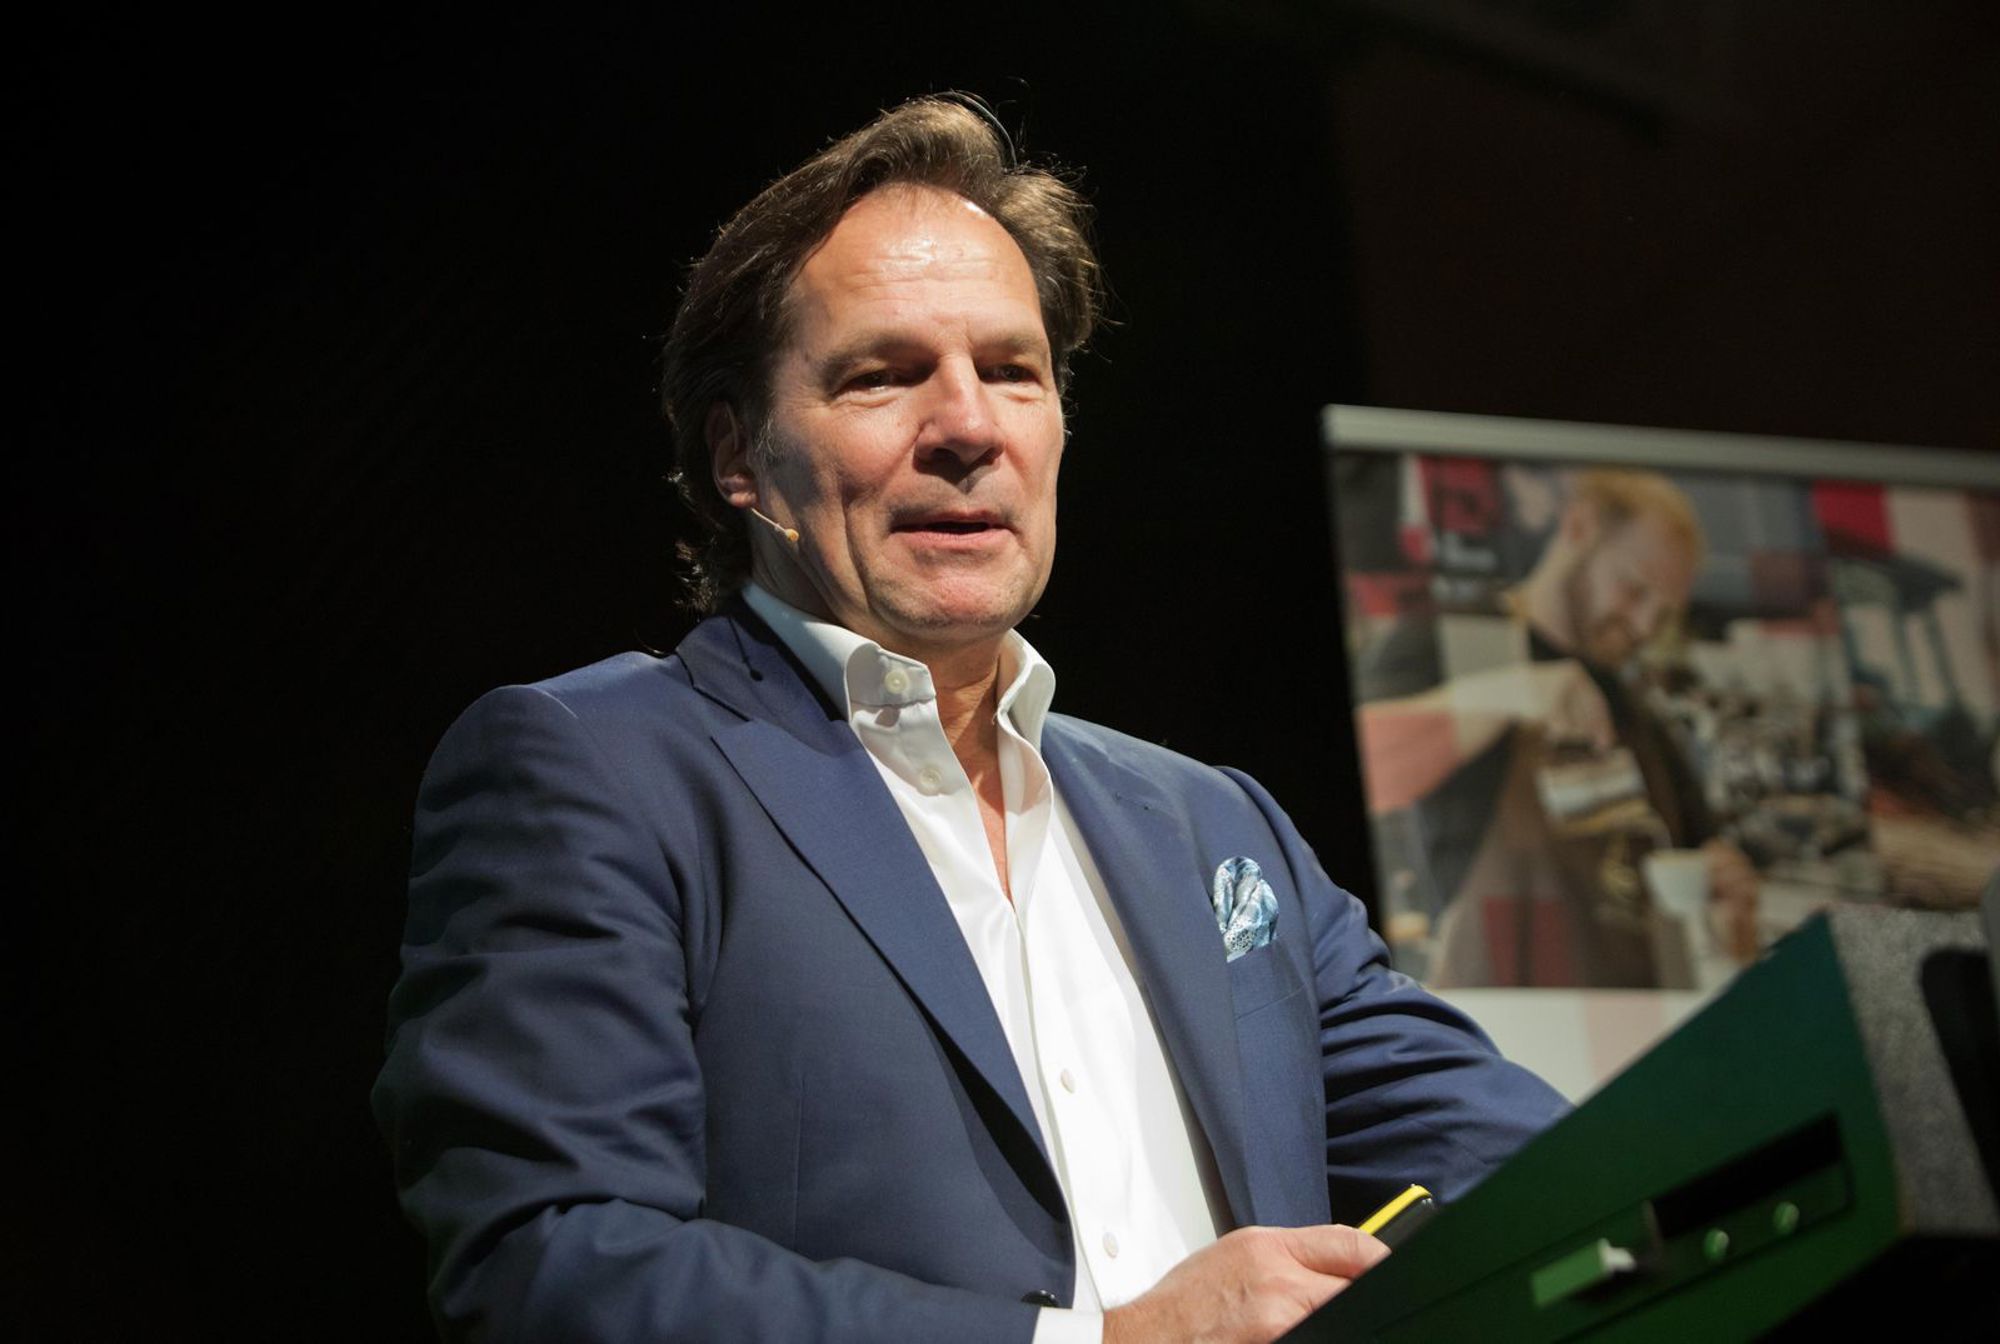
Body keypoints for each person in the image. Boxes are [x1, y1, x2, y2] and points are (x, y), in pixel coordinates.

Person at [373, 97, 1568, 1344]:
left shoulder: (1212, 823)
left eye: (1011, 371)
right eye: (881, 377)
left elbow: (1534, 1168)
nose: (968, 428)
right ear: (737, 456)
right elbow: (553, 1265)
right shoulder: (596, 769)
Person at [1357, 469, 1758, 986]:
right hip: (1496, 1013)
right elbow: (1369, 769)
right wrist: (1511, 694)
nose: (1642, 627)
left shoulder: (1640, 717)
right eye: (1634, 589)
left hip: (1633, 1015)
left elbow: (1698, 860)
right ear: (1578, 527)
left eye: (1662, 615)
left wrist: (1726, 908)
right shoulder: (1458, 638)